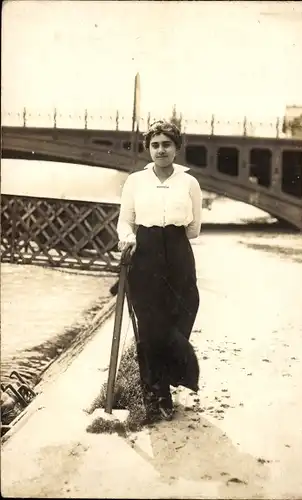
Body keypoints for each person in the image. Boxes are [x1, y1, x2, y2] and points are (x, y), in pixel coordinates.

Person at [117, 119, 202, 421]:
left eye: (167, 144)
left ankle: (170, 373)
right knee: (152, 323)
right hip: (146, 253)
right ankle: (158, 390)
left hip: (179, 251)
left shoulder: (189, 183)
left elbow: (194, 228)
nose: (160, 150)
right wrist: (128, 239)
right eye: (155, 145)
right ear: (148, 149)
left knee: (185, 309)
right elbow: (125, 220)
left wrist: (173, 238)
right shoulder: (135, 182)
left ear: (177, 148)